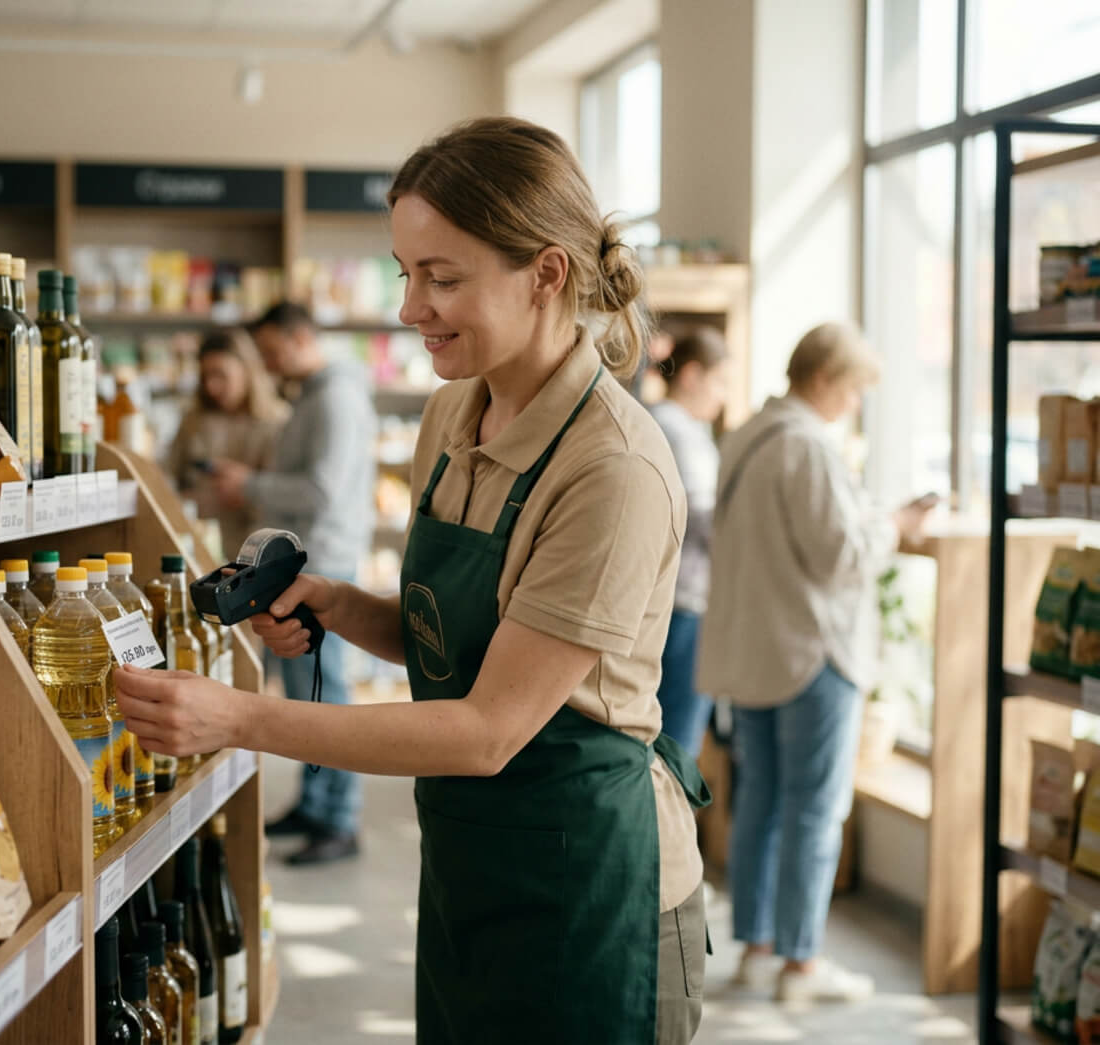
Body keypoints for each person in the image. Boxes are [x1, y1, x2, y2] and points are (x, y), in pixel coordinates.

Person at [113, 116, 709, 1044]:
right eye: (405, 273)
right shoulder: (452, 413)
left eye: (443, 277)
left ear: (547, 273)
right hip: (471, 860)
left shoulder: (612, 469)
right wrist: (340, 605)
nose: (409, 308)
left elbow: (486, 728)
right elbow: (456, 639)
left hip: (590, 883)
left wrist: (241, 720)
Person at [698, 322, 931, 1004]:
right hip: (812, 652)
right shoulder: (809, 446)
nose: (856, 405)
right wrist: (895, 526)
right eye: (855, 389)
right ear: (825, 378)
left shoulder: (746, 435)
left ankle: (757, 947)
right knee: (814, 809)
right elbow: (839, 557)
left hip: (753, 650)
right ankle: (802, 963)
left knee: (761, 801)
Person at [206, 301, 377, 866]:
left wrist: (251, 483)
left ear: (300, 337)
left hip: (322, 566)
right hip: (307, 562)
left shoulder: (333, 398)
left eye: (273, 350)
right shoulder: (315, 395)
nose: (269, 363)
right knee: (307, 692)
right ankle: (316, 804)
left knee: (326, 692)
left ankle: (340, 820)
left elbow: (322, 491)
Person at [648, 327, 729, 757]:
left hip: (667, 602)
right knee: (677, 747)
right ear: (693, 375)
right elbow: (707, 519)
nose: (723, 397)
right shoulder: (680, 432)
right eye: (721, 381)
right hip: (684, 604)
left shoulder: (656, 421)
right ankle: (669, 826)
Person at [163, 327, 288, 558]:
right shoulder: (193, 421)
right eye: (205, 377)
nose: (212, 386)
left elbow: (288, 496)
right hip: (199, 552)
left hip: (260, 555)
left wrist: (248, 486)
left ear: (247, 370)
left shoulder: (278, 422)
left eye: (221, 375)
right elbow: (167, 478)